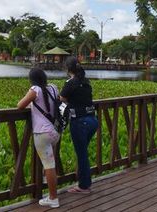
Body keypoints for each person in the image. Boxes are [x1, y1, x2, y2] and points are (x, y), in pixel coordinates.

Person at [17, 67, 61, 208]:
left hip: (42, 133)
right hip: (55, 133)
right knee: (49, 164)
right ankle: (47, 186)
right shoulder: (53, 88)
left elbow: (20, 106)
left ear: (32, 79)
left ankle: (53, 198)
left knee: (49, 165)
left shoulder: (35, 89)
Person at [60, 57, 98, 194]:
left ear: (67, 69)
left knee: (82, 154)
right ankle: (82, 179)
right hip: (93, 120)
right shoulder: (86, 82)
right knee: (82, 152)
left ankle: (84, 186)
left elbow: (62, 98)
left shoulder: (70, 82)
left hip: (80, 122)